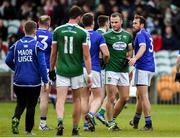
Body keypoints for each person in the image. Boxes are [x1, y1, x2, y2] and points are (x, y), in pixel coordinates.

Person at [49, 6, 92, 136]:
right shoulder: (83, 32)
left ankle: (60, 121)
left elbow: (53, 53)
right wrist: (89, 74)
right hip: (77, 71)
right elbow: (86, 56)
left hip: (62, 70)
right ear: (79, 17)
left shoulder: (57, 30)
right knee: (77, 100)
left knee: (60, 99)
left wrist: (51, 69)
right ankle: (74, 128)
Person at [5, 20, 49, 135]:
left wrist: (17, 68)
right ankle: (28, 131)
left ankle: (16, 118)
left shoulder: (16, 44)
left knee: (20, 103)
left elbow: (8, 60)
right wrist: (45, 80)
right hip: (33, 82)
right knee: (31, 106)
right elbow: (43, 65)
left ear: (24, 30)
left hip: (18, 81)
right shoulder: (37, 46)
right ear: (35, 31)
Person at [104, 12, 133, 131]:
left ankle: (112, 119)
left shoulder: (128, 35)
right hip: (111, 70)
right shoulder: (106, 36)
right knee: (111, 97)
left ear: (121, 21)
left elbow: (130, 50)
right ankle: (111, 123)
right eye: (112, 22)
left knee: (125, 97)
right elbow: (102, 52)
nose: (114, 24)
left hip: (123, 70)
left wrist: (129, 57)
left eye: (116, 22)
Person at [81, 13, 109, 132]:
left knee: (84, 97)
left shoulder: (80, 34)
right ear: (93, 23)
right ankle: (91, 115)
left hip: (80, 69)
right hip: (94, 68)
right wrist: (105, 62)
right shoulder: (98, 36)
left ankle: (85, 125)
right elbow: (106, 53)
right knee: (98, 96)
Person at [129, 15, 155, 131]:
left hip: (142, 67)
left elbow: (143, 48)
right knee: (140, 96)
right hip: (150, 67)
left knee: (143, 96)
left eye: (136, 23)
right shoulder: (148, 34)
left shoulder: (140, 34)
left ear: (142, 25)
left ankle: (148, 124)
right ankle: (135, 121)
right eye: (133, 23)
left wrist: (134, 58)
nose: (133, 25)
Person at [36, 15, 53, 131]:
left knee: (30, 97)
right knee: (44, 97)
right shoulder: (51, 36)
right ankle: (42, 124)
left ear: (38, 22)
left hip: (32, 69)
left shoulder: (32, 34)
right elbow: (54, 54)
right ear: (49, 23)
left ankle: (28, 122)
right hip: (45, 68)